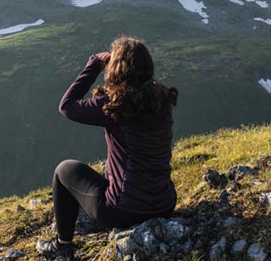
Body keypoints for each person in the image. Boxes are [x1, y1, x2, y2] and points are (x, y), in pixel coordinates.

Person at [36, 36, 179, 258]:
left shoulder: (114, 105)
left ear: (116, 69)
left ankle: (62, 246)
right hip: (165, 204)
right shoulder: (163, 100)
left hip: (123, 211)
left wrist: (93, 67)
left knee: (65, 170)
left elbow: (67, 106)